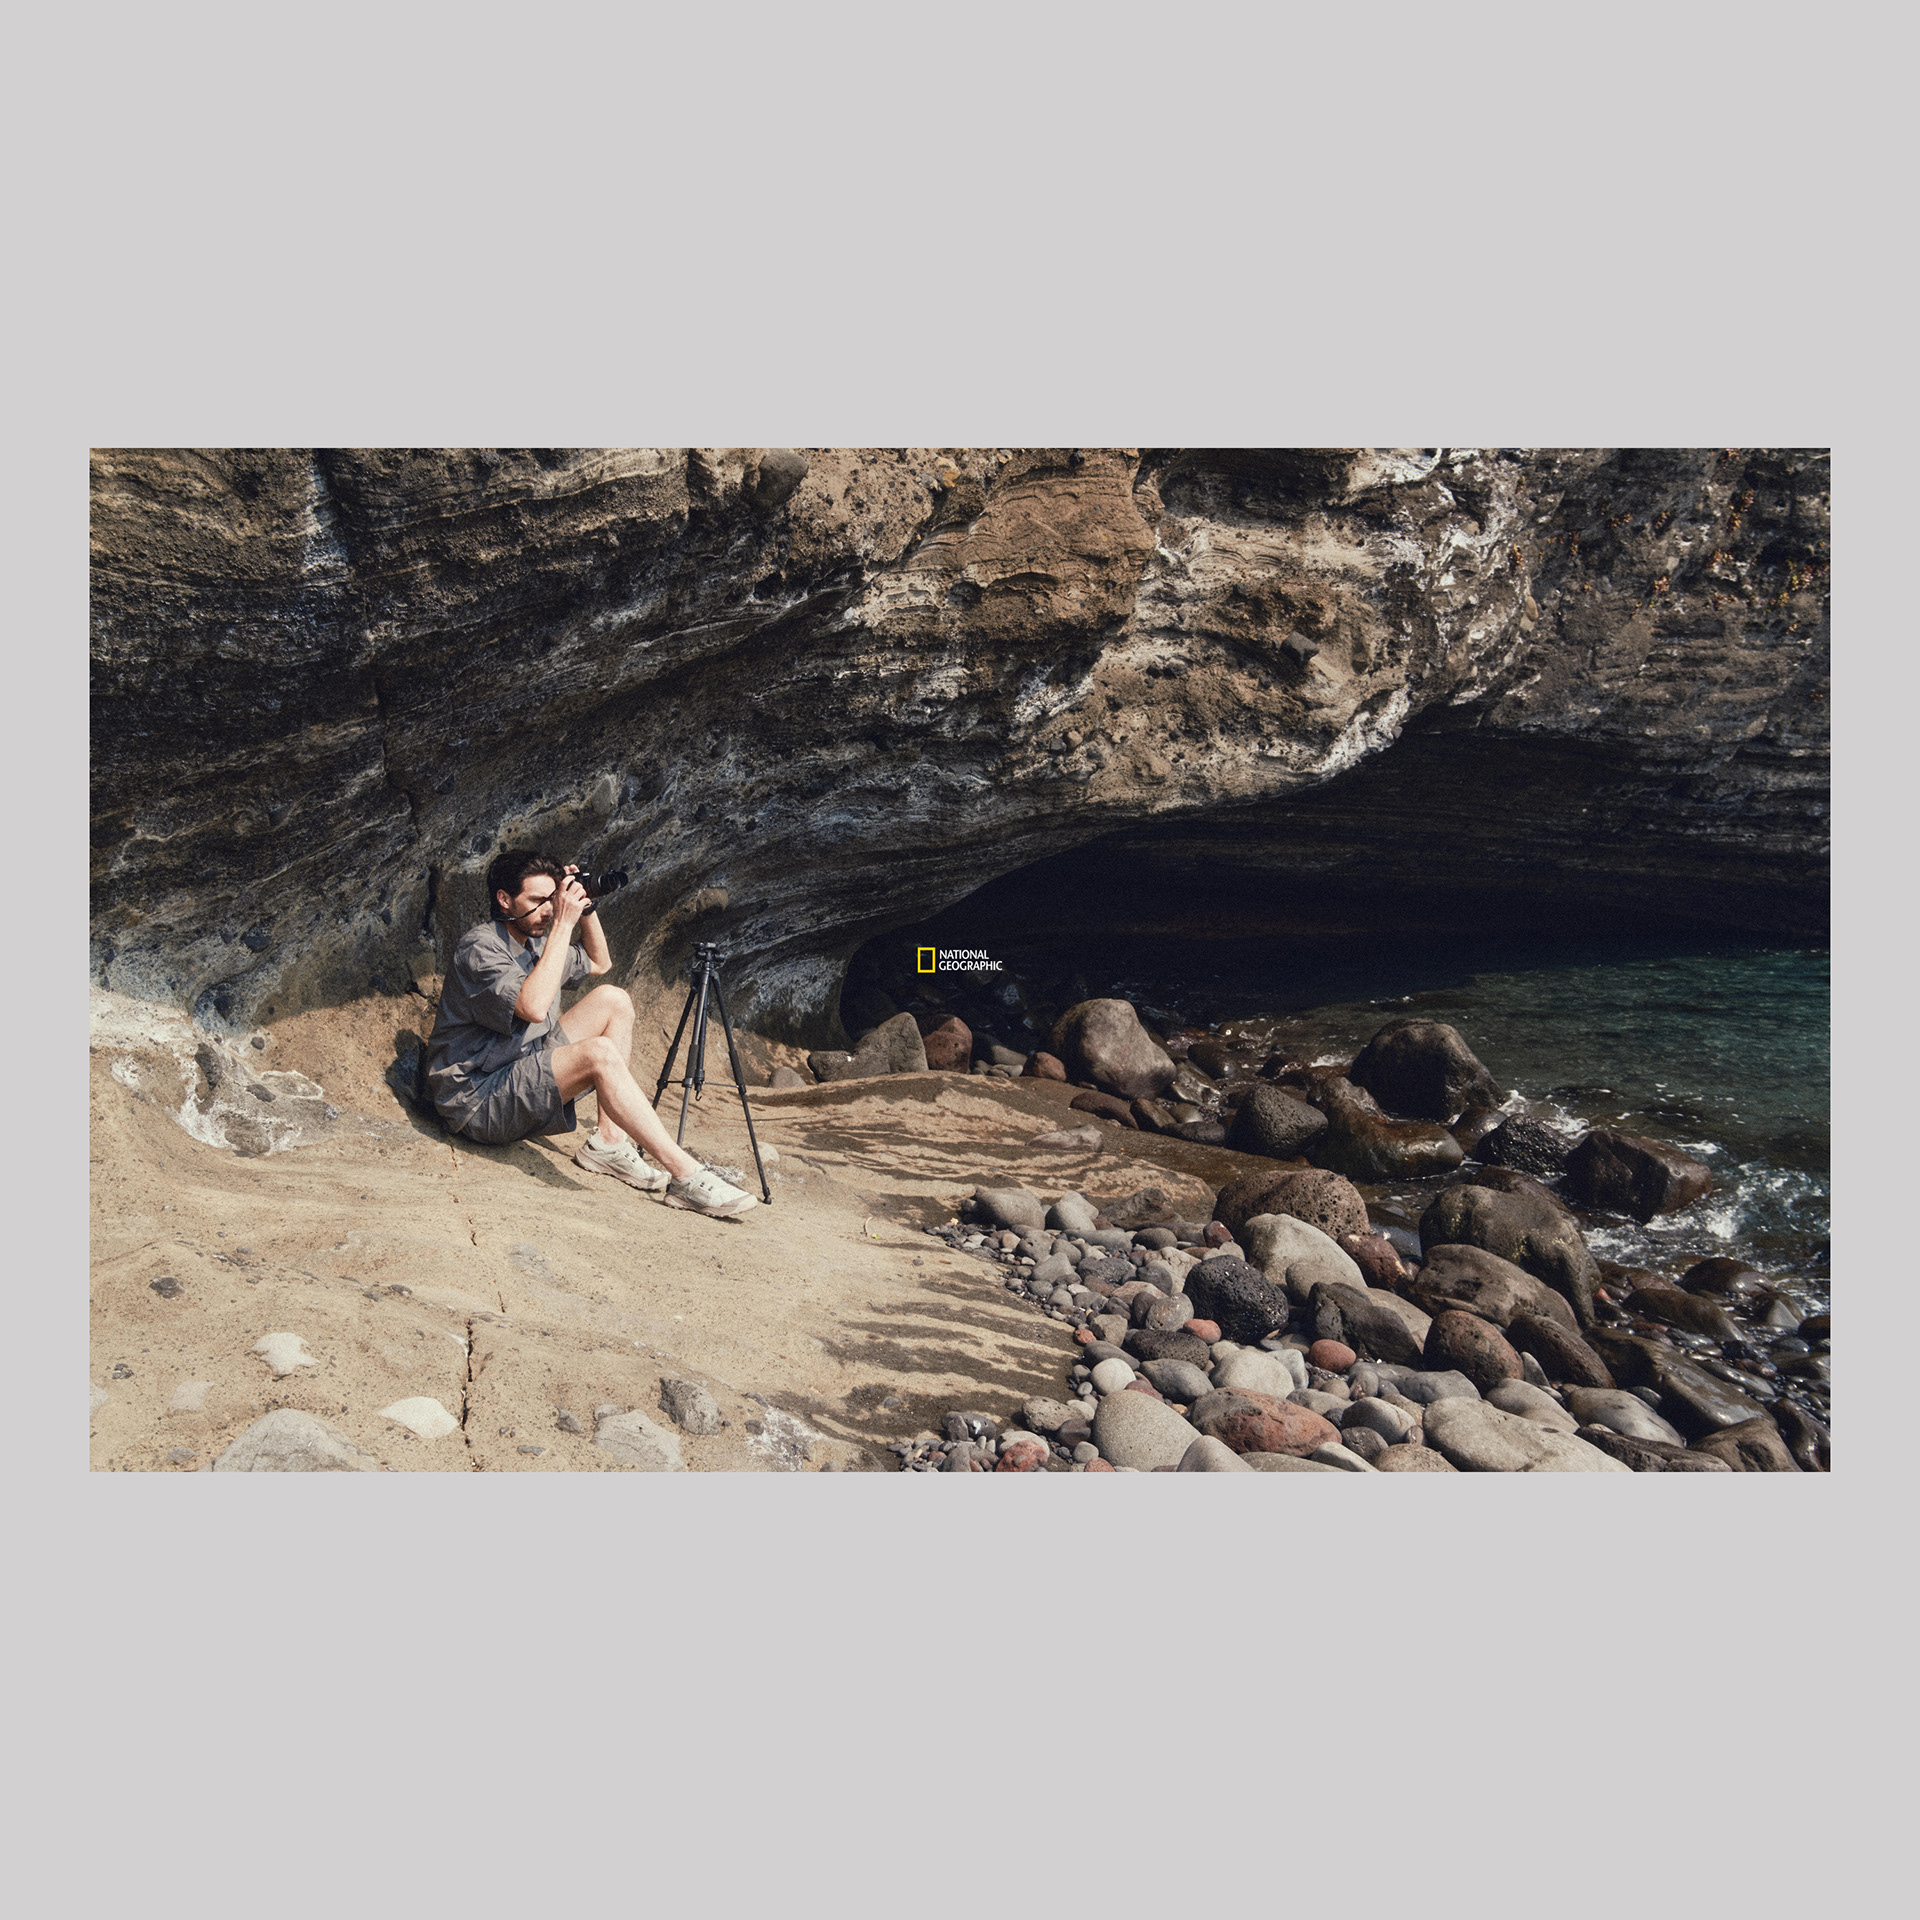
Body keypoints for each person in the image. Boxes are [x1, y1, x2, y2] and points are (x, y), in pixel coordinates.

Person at [423, 849, 757, 1220]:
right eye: (536, 901)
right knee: (598, 1053)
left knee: (614, 1000)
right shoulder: (481, 948)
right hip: (477, 1100)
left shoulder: (535, 941)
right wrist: (563, 925)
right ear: (504, 899)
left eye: (551, 900)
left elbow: (600, 962)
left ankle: (609, 1144)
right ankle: (687, 1176)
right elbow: (533, 1007)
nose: (547, 911)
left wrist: (586, 908)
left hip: (517, 1065)